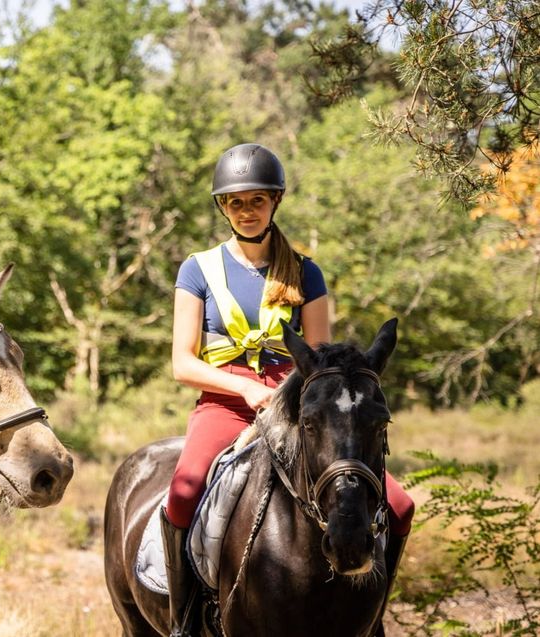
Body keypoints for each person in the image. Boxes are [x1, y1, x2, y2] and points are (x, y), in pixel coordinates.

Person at [160, 143, 414, 637]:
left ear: (275, 201)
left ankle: (373, 618)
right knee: (184, 492)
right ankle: (184, 621)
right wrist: (244, 388)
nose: (247, 211)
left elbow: (318, 364)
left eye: (257, 200)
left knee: (399, 505)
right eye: (236, 202)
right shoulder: (198, 270)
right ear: (222, 207)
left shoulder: (305, 272)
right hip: (225, 404)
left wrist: (285, 396)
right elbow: (181, 363)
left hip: (297, 406)